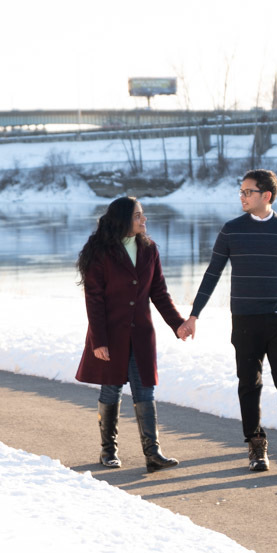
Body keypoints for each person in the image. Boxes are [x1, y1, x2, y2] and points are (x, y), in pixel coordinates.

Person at [177, 169, 277, 475]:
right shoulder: (231, 230)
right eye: (241, 192)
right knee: (249, 383)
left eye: (248, 192)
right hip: (244, 319)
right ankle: (256, 445)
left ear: (266, 196)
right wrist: (194, 315)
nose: (242, 197)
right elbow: (212, 274)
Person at [75, 196, 187, 472]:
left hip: (141, 334)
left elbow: (159, 292)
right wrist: (98, 341)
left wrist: (178, 324)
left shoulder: (149, 249)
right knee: (111, 388)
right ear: (124, 219)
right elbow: (94, 299)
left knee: (144, 389)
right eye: (138, 216)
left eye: (143, 215)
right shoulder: (99, 251)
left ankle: (153, 452)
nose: (144, 220)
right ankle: (108, 451)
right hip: (110, 335)